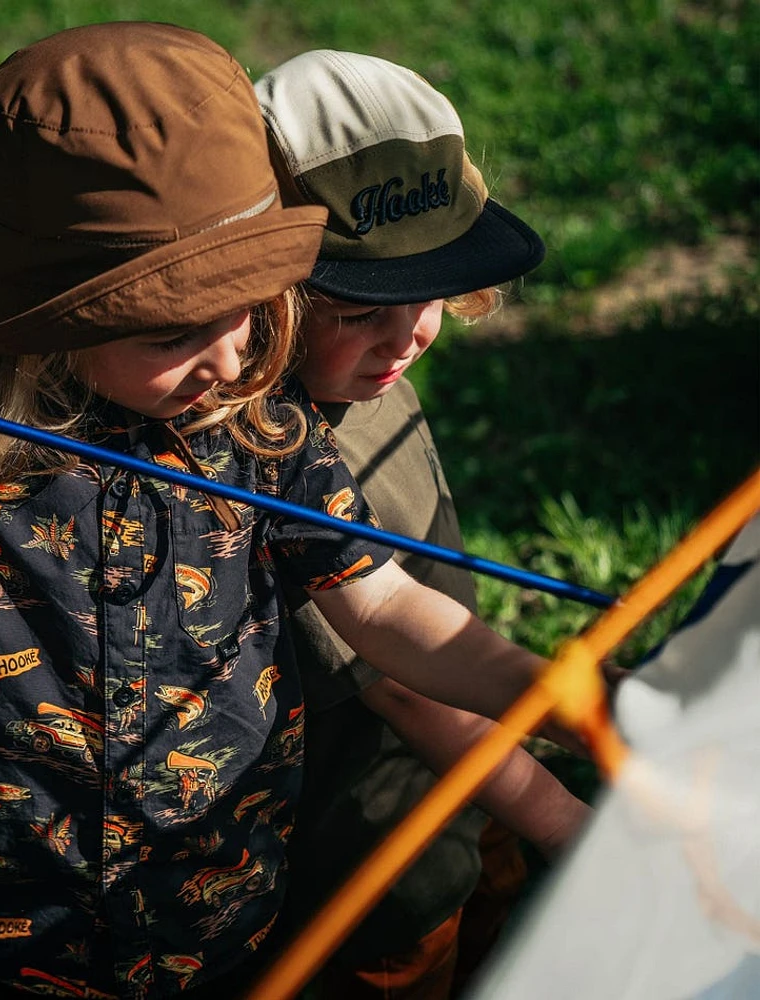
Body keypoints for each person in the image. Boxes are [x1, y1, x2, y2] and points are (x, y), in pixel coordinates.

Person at [0, 25, 564, 1000]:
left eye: (248, 300)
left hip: (227, 924)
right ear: (58, 316)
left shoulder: (263, 422)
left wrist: (551, 686)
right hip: (20, 948)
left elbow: (385, 609)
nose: (234, 354)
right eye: (183, 324)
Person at [256, 50, 590, 998]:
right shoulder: (276, 465)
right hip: (372, 855)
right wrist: (566, 821)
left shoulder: (356, 372)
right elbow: (402, 691)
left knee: (487, 911)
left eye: (432, 293)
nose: (408, 338)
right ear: (268, 299)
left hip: (476, 774)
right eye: (364, 309)